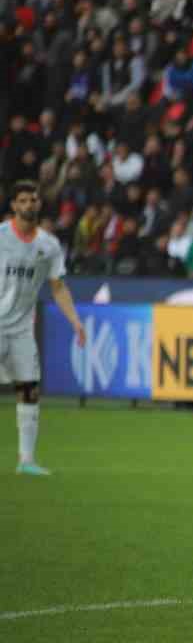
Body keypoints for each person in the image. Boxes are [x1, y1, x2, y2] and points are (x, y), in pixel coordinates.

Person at [1, 182, 86, 475]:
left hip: (22, 330)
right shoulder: (1, 236)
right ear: (14, 205)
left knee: (29, 390)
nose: (29, 205)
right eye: (23, 200)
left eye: (33, 200)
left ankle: (26, 460)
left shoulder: (48, 245)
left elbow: (58, 287)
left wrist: (75, 321)